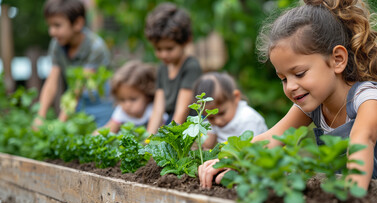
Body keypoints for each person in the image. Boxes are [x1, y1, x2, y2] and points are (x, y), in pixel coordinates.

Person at [199, 0, 377, 190]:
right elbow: (272, 137)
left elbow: (361, 142)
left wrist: (348, 199)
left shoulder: (369, 100)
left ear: (337, 60)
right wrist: (229, 158)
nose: (290, 86)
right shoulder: (314, 104)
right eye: (283, 79)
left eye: (299, 73)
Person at [33, 0, 113, 128]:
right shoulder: (57, 45)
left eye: (57, 25)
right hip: (77, 106)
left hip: (101, 106)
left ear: (78, 23)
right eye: (50, 26)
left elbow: (78, 87)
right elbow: (51, 82)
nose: (52, 32)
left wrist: (60, 123)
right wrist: (40, 116)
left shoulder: (95, 47)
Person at [144, 2, 202, 134]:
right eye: (158, 49)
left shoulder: (191, 66)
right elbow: (158, 110)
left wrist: (169, 140)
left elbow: (182, 111)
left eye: (169, 49)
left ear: (186, 41)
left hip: (190, 126)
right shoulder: (162, 69)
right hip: (172, 122)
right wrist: (147, 141)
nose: (163, 54)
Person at [193, 72, 268, 149]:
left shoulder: (248, 119)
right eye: (211, 118)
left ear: (236, 97)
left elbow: (250, 150)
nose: (217, 121)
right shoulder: (216, 120)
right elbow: (207, 144)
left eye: (222, 113)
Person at [96, 60, 167, 133]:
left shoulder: (154, 110)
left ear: (147, 96)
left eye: (133, 99)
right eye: (122, 100)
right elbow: (109, 129)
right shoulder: (121, 112)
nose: (127, 105)